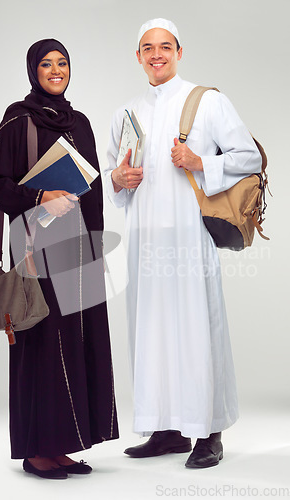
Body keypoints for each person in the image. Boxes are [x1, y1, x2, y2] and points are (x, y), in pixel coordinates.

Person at [105, 18, 261, 469]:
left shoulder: (207, 101)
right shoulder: (125, 113)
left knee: (196, 329)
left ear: (178, 52)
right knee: (151, 330)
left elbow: (248, 156)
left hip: (190, 239)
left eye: (165, 46)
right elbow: (115, 181)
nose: (157, 54)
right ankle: (166, 428)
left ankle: (209, 431)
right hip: (144, 240)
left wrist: (199, 161)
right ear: (138, 57)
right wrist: (120, 178)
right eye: (148, 48)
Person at [0, 38, 119, 479]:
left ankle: (63, 444)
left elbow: (93, 187)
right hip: (35, 247)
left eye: (63, 63)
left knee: (76, 343)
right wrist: (41, 196)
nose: (56, 70)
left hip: (78, 245)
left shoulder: (79, 122)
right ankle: (36, 449)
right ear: (33, 70)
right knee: (42, 343)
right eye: (47, 63)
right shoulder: (17, 120)